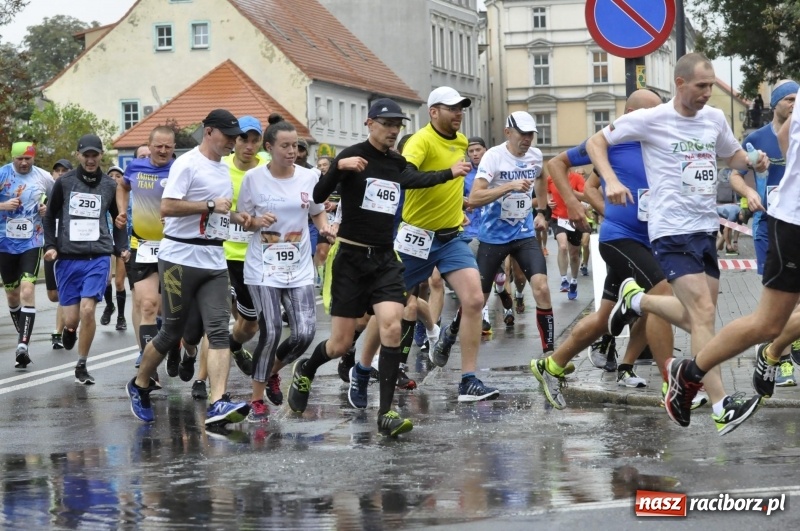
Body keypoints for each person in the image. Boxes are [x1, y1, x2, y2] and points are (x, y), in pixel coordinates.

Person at [589, 53, 767, 435]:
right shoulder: (652, 118)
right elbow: (595, 143)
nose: (707, 93)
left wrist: (753, 158)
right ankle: (720, 405)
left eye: (711, 85)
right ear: (680, 83)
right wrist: (611, 181)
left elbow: (731, 156)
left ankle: (637, 301)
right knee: (702, 313)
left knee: (700, 318)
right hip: (670, 229)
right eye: (701, 86)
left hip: (704, 229)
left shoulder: (714, 119)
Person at [298, 97, 465, 435]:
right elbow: (318, 194)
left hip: (385, 258)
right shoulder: (350, 157)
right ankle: (306, 368)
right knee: (341, 344)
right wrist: (337, 170)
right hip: (350, 258)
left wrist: (449, 173)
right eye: (387, 124)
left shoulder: (395, 162)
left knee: (391, 325)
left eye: (398, 125)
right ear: (370, 123)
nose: (393, 131)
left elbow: (416, 180)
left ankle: (385, 413)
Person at [659, 89, 800, 434]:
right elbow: (779, 138)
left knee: (771, 323)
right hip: (794, 222)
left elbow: (785, 136)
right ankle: (690, 373)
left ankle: (772, 352)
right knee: (767, 322)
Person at [530, 89, 674, 409]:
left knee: (602, 319)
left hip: (649, 239)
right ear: (631, 115)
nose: (661, 120)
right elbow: (556, 163)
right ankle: (671, 384)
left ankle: (551, 365)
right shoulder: (610, 142)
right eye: (654, 115)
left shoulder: (661, 144)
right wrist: (573, 203)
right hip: (620, 239)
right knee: (662, 294)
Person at [126, 109, 250, 428]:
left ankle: (217, 402)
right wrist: (209, 205)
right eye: (228, 136)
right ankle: (139, 384)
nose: (233, 142)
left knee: (219, 330)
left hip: (213, 261)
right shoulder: (187, 163)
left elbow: (218, 213)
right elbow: (168, 206)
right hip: (179, 259)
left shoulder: (223, 169)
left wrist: (241, 219)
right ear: (209, 132)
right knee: (171, 333)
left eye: (235, 136)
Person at [400, 86, 499, 401]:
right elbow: (404, 176)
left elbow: (451, 185)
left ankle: (468, 380)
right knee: (391, 307)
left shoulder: (460, 141)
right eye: (451, 108)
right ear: (433, 112)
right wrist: (447, 173)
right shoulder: (420, 141)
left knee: (473, 300)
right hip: (416, 236)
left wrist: (457, 208)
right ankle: (363, 365)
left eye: (461, 108)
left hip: (450, 235)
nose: (458, 113)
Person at [237, 116, 327, 423]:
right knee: (272, 329)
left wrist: (326, 230)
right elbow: (242, 218)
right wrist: (253, 221)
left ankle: (273, 371)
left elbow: (317, 213)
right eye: (285, 146)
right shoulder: (254, 179)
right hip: (263, 267)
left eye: (295, 146)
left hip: (298, 266)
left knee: (305, 333)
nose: (292, 151)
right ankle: (257, 399)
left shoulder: (309, 177)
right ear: (269, 147)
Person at [43, 134, 128, 383]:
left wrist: (120, 247)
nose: (91, 160)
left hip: (98, 256)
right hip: (68, 257)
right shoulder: (65, 183)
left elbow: (118, 220)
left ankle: (82, 364)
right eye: (86, 155)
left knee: (88, 309)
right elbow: (49, 217)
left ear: (102, 155)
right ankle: (70, 329)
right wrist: (51, 245)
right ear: (78, 156)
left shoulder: (109, 186)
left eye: (95, 155)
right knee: (72, 318)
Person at [468, 112, 555, 356]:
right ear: (508, 132)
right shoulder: (493, 157)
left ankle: (550, 354)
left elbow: (541, 176)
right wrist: (509, 186)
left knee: (542, 287)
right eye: (522, 134)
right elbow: (475, 197)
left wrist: (541, 212)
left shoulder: (535, 156)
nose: (527, 139)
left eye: (531, 134)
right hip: (493, 238)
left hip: (524, 234)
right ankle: (454, 329)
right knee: (478, 300)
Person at [730, 80, 798, 386]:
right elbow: (734, 175)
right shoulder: (757, 137)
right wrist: (749, 192)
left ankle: (782, 347)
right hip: (769, 225)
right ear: (777, 104)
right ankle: (779, 359)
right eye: (789, 99)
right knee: (778, 302)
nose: (794, 104)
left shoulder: (794, 131)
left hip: (792, 223)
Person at [116, 126, 176, 379]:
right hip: (142, 244)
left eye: (168, 147)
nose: (163, 151)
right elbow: (122, 186)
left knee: (173, 312)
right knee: (148, 305)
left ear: (174, 148)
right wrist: (121, 211)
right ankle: (148, 364)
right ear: (149, 146)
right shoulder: (135, 168)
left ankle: (176, 348)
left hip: (174, 246)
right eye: (158, 146)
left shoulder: (180, 170)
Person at [0, 141, 54, 368]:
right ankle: (23, 336)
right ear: (13, 158)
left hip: (32, 241)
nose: (23, 163)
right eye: (19, 159)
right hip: (4, 243)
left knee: (28, 288)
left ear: (34, 158)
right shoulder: (2, 174)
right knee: (12, 296)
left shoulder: (43, 177)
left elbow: (55, 202)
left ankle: (23, 344)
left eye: (28, 159)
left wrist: (46, 208)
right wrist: (2, 206)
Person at [46, 158, 72, 349]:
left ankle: (59, 331)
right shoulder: (44, 194)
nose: (60, 174)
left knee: (63, 293)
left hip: (68, 248)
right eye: (57, 171)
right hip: (49, 246)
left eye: (65, 170)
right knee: (53, 295)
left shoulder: (74, 193)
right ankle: (68, 321)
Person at [548, 169, 585, 300]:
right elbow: (547, 192)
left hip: (574, 218)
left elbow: (584, 195)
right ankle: (564, 280)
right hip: (558, 218)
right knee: (562, 246)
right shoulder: (551, 178)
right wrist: (549, 201)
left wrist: (570, 192)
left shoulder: (577, 178)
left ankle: (573, 281)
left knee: (574, 254)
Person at [101, 165, 129, 331]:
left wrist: (128, 245)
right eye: (110, 175)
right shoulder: (103, 196)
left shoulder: (128, 197)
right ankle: (109, 305)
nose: (114, 178)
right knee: (105, 280)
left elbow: (131, 221)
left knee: (119, 282)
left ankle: (121, 316)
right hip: (105, 241)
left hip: (122, 241)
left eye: (118, 175)